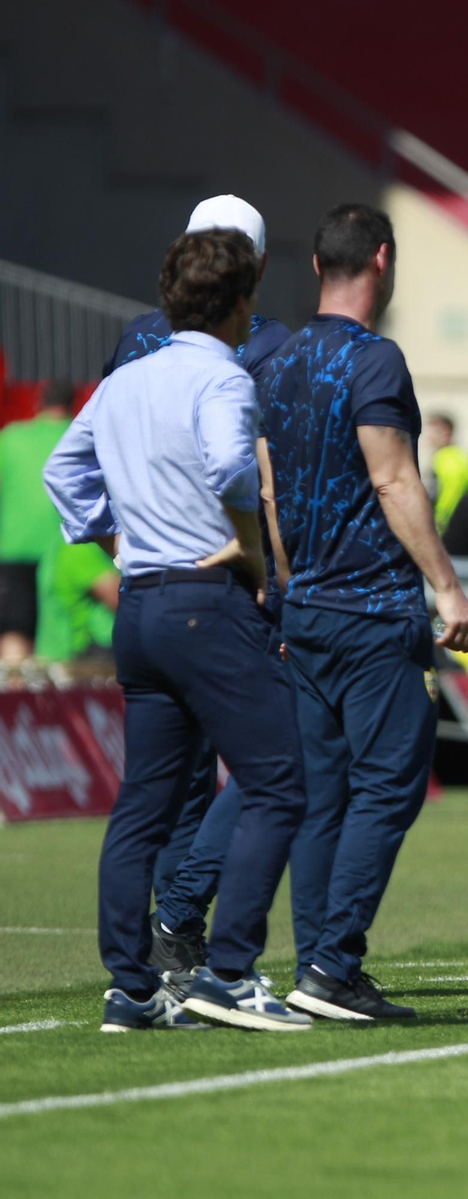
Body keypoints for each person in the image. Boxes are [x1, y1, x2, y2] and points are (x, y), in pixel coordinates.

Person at [43, 228, 309, 1032]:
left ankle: (133, 987)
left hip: (141, 605)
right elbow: (231, 464)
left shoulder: (125, 379)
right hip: (207, 602)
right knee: (278, 781)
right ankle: (228, 972)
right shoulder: (223, 374)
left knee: (144, 805)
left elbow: (64, 470)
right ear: (239, 303)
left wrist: (119, 543)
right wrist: (249, 545)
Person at [259, 204, 468, 1022]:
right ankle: (332, 964)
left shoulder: (279, 360)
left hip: (307, 606)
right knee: (389, 783)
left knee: (323, 796)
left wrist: (290, 587)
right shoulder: (375, 358)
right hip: (373, 606)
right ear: (383, 260)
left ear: (320, 264)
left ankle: (314, 963)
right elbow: (393, 478)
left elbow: (270, 493)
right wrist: (447, 588)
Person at [101, 195, 289, 994]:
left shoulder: (135, 341)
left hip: (144, 586)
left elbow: (84, 463)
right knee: (279, 768)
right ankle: (199, 940)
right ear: (258, 268)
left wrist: (121, 547)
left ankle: (148, 964)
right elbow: (257, 474)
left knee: (157, 789)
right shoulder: (263, 344)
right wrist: (261, 560)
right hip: (224, 585)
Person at [0, 380, 76, 660]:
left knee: (15, 631)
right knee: (60, 636)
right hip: (65, 553)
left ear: (38, 404)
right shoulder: (78, 436)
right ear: (72, 406)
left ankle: (13, 689)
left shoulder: (11, 437)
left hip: (15, 551)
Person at [423, 413, 468, 532]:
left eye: (434, 432)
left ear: (446, 433)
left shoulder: (446, 457)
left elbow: (453, 490)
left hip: (445, 525)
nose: (429, 436)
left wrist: (440, 519)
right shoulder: (460, 456)